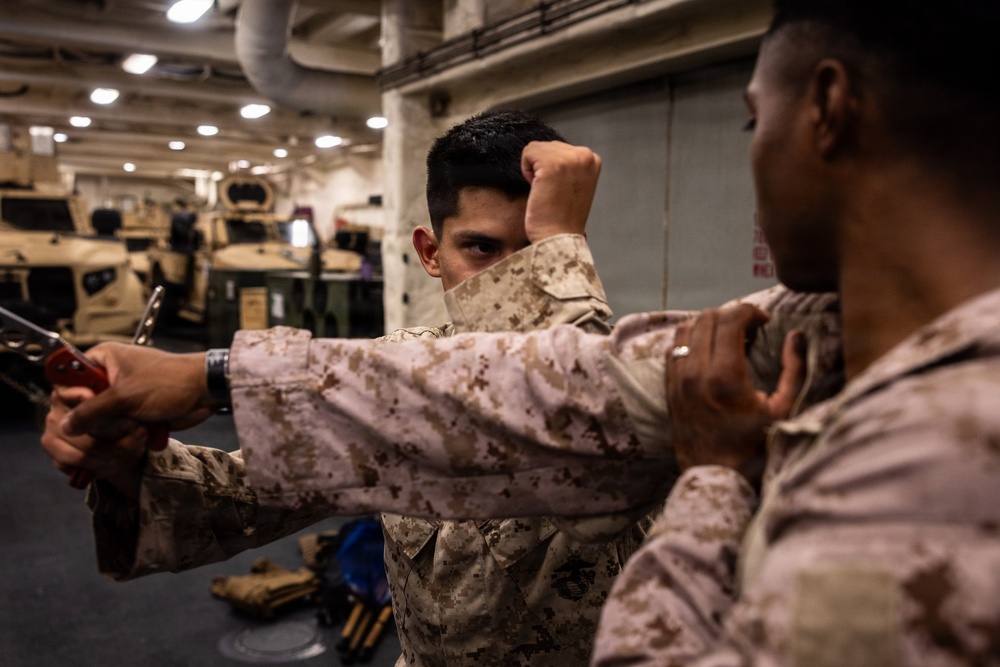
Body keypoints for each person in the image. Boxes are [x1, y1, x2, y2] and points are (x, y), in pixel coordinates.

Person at [589, 0, 1000, 664]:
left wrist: (713, 482)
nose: (754, 147)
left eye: (755, 118)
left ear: (829, 107)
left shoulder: (925, 458)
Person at [382, 110, 652, 667]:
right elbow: (255, 481)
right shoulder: (400, 370)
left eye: (534, 253)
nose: (512, 278)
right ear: (431, 254)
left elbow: (594, 443)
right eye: (482, 249)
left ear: (563, 256)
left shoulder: (628, 378)